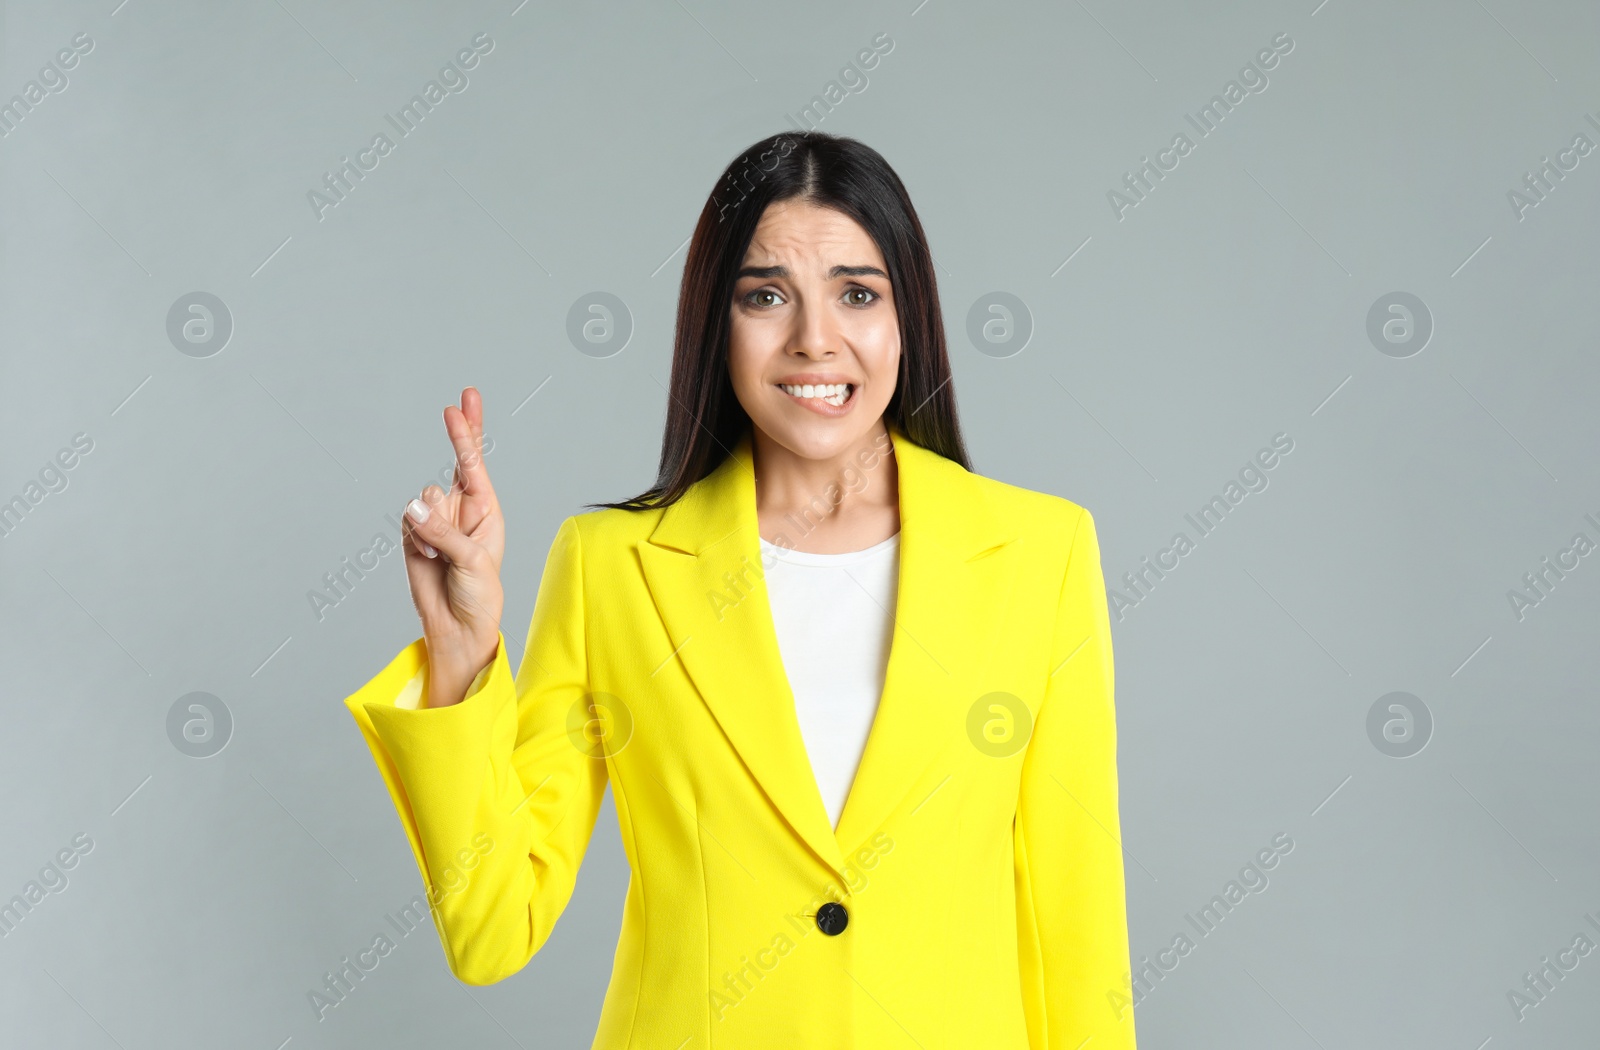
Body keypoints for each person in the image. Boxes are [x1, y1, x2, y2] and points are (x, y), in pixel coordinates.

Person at [342, 130, 1137, 1048]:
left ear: (907, 316)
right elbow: (491, 928)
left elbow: (1076, 922)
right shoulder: (612, 566)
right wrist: (461, 654)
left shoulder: (1042, 552)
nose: (815, 340)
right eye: (766, 296)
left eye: (857, 293)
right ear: (713, 324)